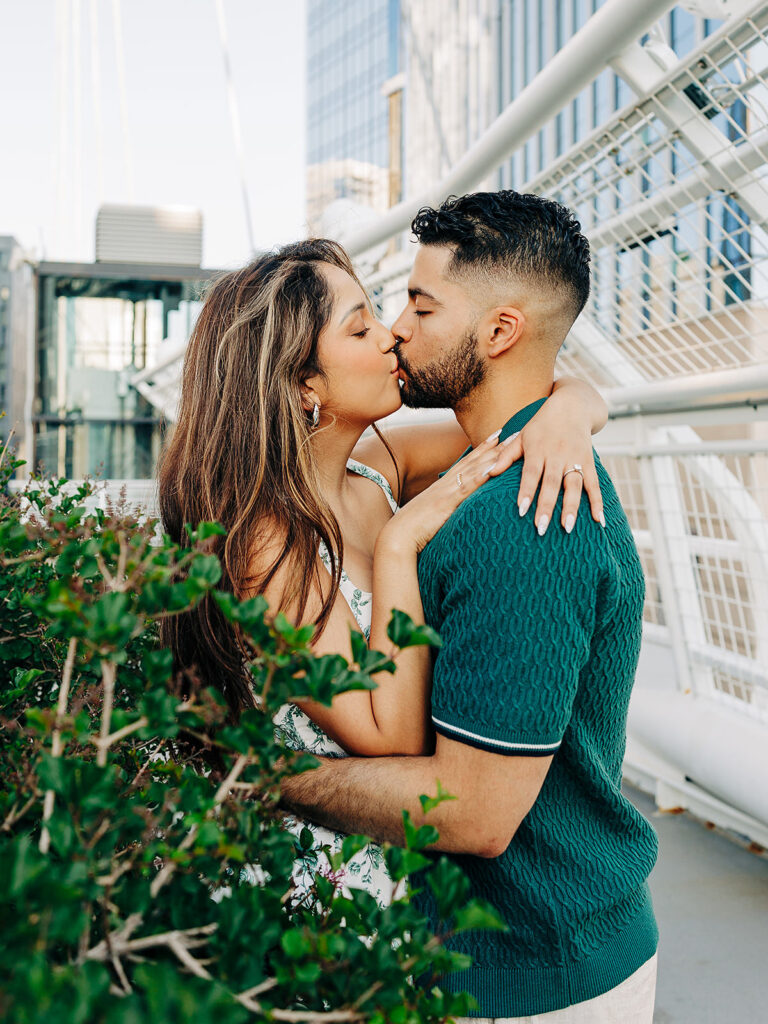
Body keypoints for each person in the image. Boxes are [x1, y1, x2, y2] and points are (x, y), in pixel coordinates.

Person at [279, 192, 660, 1024]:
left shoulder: (524, 516)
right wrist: (568, 405)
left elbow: (477, 813)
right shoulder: (456, 465)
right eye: (377, 317)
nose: (396, 332)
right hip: (513, 951)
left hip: (526, 972)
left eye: (418, 306)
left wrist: (276, 777)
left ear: (497, 333)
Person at [157, 236, 607, 909]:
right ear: (304, 381)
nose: (391, 337)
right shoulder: (265, 540)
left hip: (393, 873)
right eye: (359, 326)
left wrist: (570, 410)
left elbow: (517, 414)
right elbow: (386, 733)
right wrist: (400, 544)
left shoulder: (377, 469)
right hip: (312, 893)